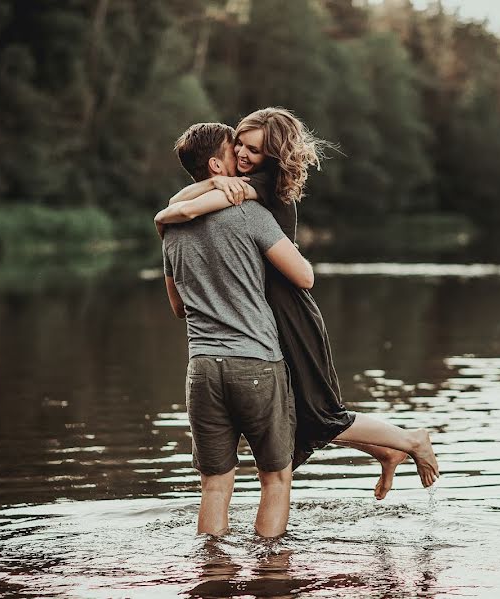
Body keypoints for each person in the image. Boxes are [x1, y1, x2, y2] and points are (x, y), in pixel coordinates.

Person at [156, 108, 439, 500]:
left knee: (319, 414)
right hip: (259, 316)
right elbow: (182, 199)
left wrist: (164, 217)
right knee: (302, 418)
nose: (242, 153)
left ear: (271, 156)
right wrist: (207, 188)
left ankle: (411, 440)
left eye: (253, 150)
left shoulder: (263, 185)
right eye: (239, 143)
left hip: (288, 314)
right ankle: (386, 450)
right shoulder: (239, 184)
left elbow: (182, 208)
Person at [160, 122, 315, 537]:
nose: (243, 160)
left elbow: (178, 307)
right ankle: (270, 574)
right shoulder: (252, 214)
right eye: (235, 150)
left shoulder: (170, 229)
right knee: (276, 480)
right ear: (217, 163)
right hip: (257, 363)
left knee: (213, 487)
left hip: (202, 368)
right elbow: (304, 277)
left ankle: (212, 571)